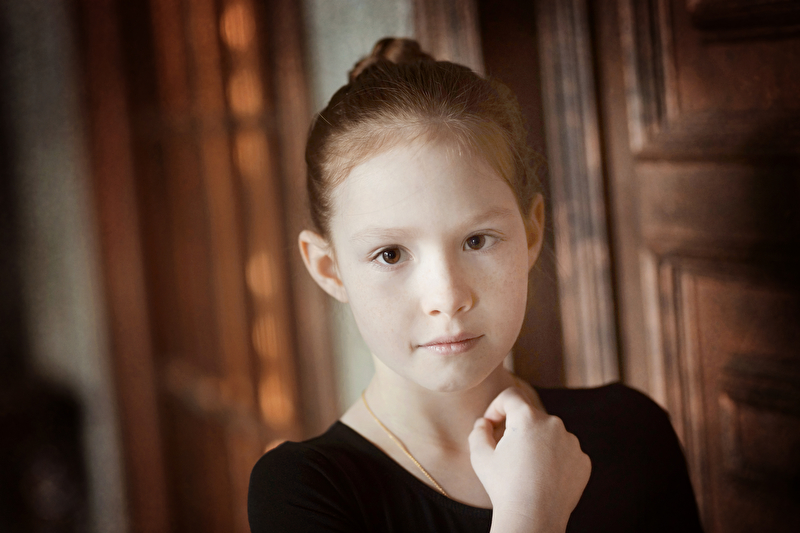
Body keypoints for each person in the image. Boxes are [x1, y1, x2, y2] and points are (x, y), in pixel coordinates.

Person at [248, 37, 703, 533]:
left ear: (531, 233)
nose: (448, 298)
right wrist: (532, 516)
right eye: (390, 254)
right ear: (329, 268)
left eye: (476, 240)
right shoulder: (302, 492)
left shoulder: (631, 430)